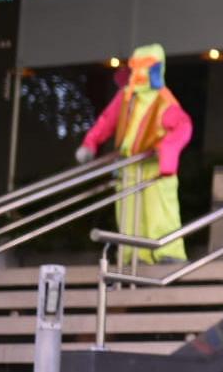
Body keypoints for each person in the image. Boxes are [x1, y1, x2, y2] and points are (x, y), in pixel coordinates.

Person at [77, 43, 191, 265]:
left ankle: (168, 253)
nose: (138, 72)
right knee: (129, 214)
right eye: (136, 66)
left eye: (144, 66)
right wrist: (90, 143)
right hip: (129, 164)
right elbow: (106, 121)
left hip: (155, 164)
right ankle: (133, 256)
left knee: (160, 211)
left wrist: (167, 152)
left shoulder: (163, 100)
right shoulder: (126, 97)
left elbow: (183, 127)